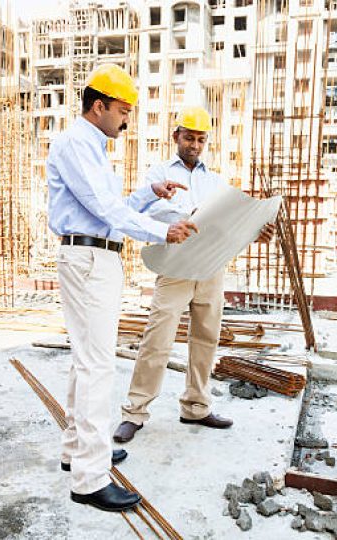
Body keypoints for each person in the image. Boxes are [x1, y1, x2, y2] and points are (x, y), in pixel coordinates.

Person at [46, 64, 198, 513]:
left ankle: (77, 451)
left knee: (86, 361)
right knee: (96, 367)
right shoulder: (77, 143)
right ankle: (90, 480)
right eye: (122, 111)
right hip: (89, 258)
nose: (126, 120)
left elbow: (111, 206)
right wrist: (159, 232)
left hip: (95, 254)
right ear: (99, 106)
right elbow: (102, 208)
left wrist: (151, 193)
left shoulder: (90, 146)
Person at [114, 106, 275, 444]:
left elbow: (226, 224)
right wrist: (190, 215)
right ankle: (136, 412)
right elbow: (149, 213)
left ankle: (196, 406)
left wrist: (253, 229)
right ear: (176, 136)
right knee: (157, 338)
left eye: (201, 140)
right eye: (189, 138)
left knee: (205, 339)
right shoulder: (157, 174)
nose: (195, 145)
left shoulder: (215, 181)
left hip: (211, 268)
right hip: (176, 266)